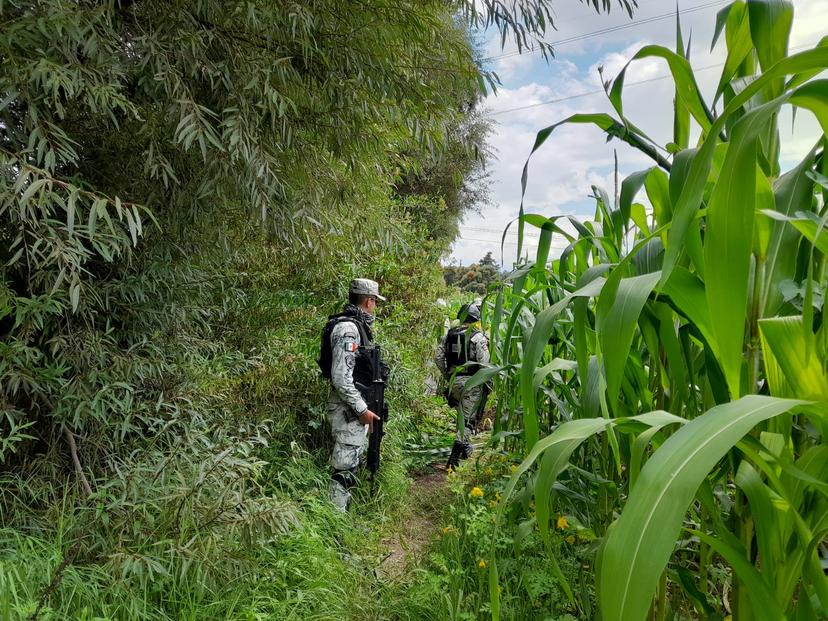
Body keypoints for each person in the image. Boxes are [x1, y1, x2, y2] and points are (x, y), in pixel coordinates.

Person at [325, 278, 387, 511]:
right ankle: (335, 526)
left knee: (351, 465)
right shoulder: (348, 329)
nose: (375, 307)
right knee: (343, 469)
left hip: (352, 407)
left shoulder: (354, 326)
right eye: (375, 302)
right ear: (369, 301)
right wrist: (361, 410)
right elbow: (341, 377)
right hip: (347, 409)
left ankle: (343, 520)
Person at [436, 302, 490, 469]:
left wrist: (448, 376)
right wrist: (487, 383)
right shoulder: (477, 337)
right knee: (467, 421)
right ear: (474, 319)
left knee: (462, 416)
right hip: (471, 382)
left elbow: (438, 358)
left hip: (455, 382)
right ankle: (453, 461)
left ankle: (466, 449)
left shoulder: (448, 335)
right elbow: (484, 363)